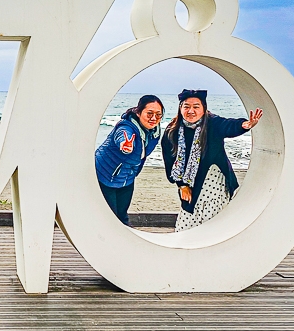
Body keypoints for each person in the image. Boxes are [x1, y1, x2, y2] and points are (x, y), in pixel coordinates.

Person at [162, 89, 263, 232]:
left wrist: (244, 125)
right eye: (186, 106)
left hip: (214, 179)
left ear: (204, 108)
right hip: (190, 183)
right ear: (180, 108)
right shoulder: (172, 131)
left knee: (214, 220)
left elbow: (228, 125)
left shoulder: (213, 123)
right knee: (188, 216)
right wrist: (182, 185)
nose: (191, 111)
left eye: (196, 107)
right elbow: (170, 162)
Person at [94, 95, 165, 225]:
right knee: (109, 217)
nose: (154, 118)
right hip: (105, 174)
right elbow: (122, 135)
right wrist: (125, 144)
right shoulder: (127, 127)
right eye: (149, 113)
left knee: (122, 215)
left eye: (158, 114)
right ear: (138, 112)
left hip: (127, 176)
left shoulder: (154, 131)